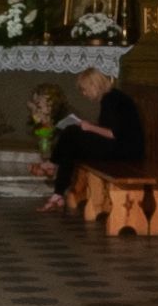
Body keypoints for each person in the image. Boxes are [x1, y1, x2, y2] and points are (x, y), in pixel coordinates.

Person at [35, 63, 147, 212]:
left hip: (125, 151)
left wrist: (89, 127)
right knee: (72, 141)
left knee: (71, 134)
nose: (84, 93)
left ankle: (54, 171)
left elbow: (114, 133)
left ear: (93, 85)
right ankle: (58, 192)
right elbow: (110, 129)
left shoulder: (111, 99)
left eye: (84, 89)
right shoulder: (112, 96)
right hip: (122, 147)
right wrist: (88, 127)